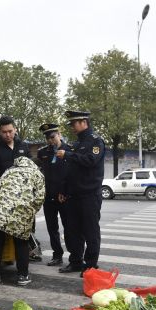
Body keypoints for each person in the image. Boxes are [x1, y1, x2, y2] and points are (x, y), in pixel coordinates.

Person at [0, 156, 45, 286]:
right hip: (20, 212)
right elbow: (39, 198)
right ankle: (22, 277)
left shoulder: (9, 170)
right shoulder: (37, 173)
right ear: (38, 166)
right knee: (21, 243)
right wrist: (30, 212)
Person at [0, 115, 42, 261]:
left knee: (23, 235)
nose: (8, 135)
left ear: (15, 129)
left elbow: (31, 169)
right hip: (4, 200)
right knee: (1, 236)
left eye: (10, 131)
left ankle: (26, 258)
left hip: (24, 199)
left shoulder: (22, 145)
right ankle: (2, 263)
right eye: (4, 132)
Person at [56, 110, 105, 275]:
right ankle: (75, 261)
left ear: (84, 122)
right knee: (73, 231)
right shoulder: (76, 145)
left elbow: (91, 161)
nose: (72, 127)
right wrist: (63, 189)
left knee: (91, 231)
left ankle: (91, 266)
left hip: (90, 195)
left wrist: (69, 155)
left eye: (74, 124)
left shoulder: (96, 142)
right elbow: (69, 171)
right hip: (73, 195)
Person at [36, 123, 71, 266]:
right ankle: (57, 255)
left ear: (59, 134)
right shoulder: (43, 152)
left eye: (52, 136)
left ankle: (74, 256)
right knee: (52, 228)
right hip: (49, 196)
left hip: (64, 196)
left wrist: (66, 192)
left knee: (69, 227)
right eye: (47, 138)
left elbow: (71, 175)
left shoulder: (69, 150)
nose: (50, 140)